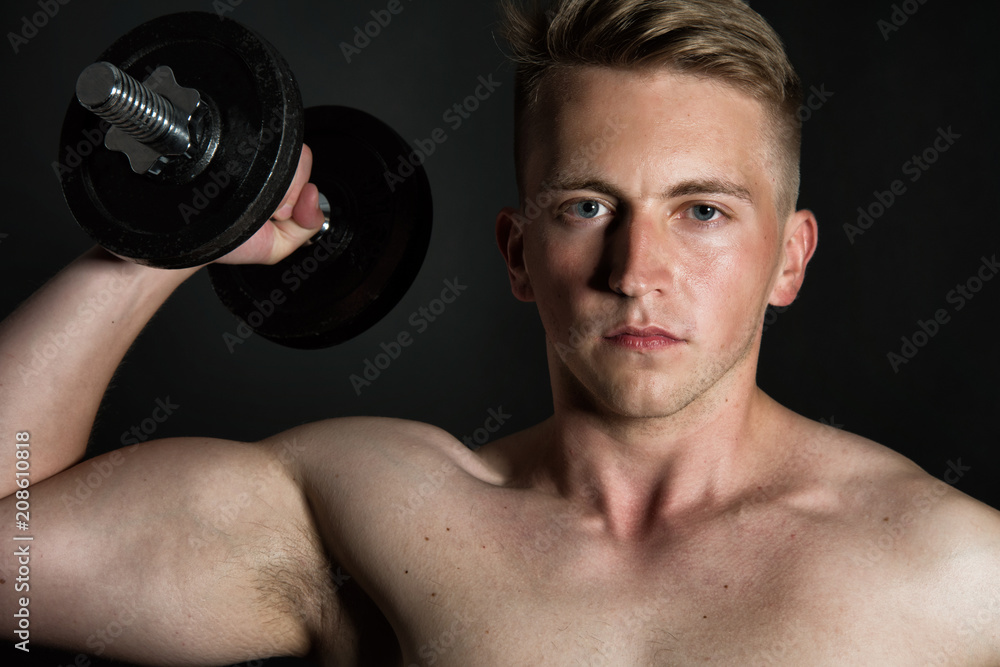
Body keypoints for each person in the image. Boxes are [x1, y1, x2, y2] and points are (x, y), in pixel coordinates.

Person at [4, 0, 999, 664]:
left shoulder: (954, 569)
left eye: (701, 211)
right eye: (587, 208)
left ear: (789, 258)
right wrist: (172, 241)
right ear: (518, 254)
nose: (635, 273)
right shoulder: (378, 516)